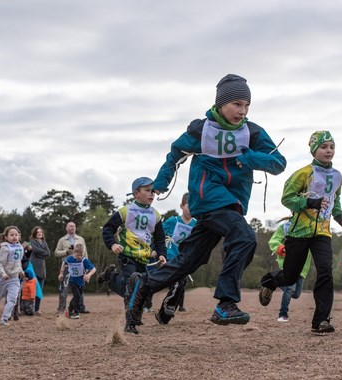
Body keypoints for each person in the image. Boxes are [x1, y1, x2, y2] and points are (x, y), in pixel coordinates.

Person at [126, 74, 286, 329]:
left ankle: (143, 284)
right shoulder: (201, 130)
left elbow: (279, 163)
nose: (242, 111)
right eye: (236, 104)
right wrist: (160, 182)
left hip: (232, 201)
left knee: (190, 260)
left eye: (246, 106)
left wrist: (251, 157)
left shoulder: (252, 132)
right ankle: (225, 303)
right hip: (208, 195)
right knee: (244, 237)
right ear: (221, 103)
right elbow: (174, 155)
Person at [259, 131, 342, 334]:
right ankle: (269, 282)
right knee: (290, 276)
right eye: (324, 147)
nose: (329, 151)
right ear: (313, 149)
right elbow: (287, 198)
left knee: (326, 272)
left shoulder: (338, 177)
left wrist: (341, 219)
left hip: (323, 233)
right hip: (299, 231)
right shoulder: (303, 173)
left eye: (332, 147)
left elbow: (335, 203)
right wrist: (310, 202)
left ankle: (321, 321)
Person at [99, 177, 167, 334]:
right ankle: (131, 323)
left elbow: (160, 239)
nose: (152, 194)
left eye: (153, 191)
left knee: (139, 288)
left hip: (145, 258)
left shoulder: (156, 215)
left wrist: (162, 254)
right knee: (133, 286)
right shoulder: (125, 211)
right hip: (127, 256)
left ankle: (110, 277)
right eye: (148, 190)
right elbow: (107, 229)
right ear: (136, 193)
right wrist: (113, 244)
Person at [155, 192, 197, 325]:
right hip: (170, 257)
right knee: (177, 282)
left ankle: (164, 314)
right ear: (181, 206)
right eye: (189, 206)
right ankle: (162, 307)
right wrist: (158, 250)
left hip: (185, 259)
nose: (191, 209)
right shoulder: (173, 221)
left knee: (180, 283)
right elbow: (159, 234)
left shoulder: (196, 224)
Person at [268, 219, 312, 321]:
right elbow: (273, 241)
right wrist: (281, 249)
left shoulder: (310, 226)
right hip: (288, 263)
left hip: (302, 266)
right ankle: (283, 314)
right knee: (290, 289)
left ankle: (273, 281)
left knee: (296, 294)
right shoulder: (285, 227)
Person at [0, 226, 25, 326]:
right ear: (6, 237)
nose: (14, 237)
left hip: (14, 278)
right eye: (12, 235)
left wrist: (21, 271)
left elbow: (18, 262)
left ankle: (5, 319)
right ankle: (2, 293)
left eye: (16, 235)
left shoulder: (20, 247)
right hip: (3, 278)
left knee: (13, 299)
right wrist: (3, 274)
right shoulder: (5, 248)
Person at [54, 222, 87, 315]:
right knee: (64, 288)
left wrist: (86, 268)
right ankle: (61, 308)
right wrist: (66, 252)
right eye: (70, 226)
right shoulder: (62, 240)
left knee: (80, 287)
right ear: (66, 228)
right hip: (67, 267)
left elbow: (85, 253)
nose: (72, 227)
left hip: (79, 266)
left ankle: (79, 307)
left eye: (74, 226)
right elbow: (56, 253)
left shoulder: (80, 239)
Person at [59, 244, 96, 319]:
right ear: (74, 253)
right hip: (72, 280)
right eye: (78, 255)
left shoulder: (84, 260)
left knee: (77, 296)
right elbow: (64, 263)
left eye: (81, 255)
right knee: (77, 296)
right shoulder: (69, 259)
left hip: (81, 281)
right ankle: (76, 312)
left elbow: (94, 269)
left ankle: (69, 308)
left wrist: (88, 275)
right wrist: (61, 273)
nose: (80, 257)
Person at [24, 226, 50, 314]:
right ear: (35, 233)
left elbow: (48, 253)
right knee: (31, 290)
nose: (40, 233)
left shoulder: (44, 242)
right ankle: (29, 308)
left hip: (42, 269)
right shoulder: (32, 242)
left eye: (41, 232)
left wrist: (40, 253)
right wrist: (42, 253)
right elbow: (35, 250)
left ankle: (37, 309)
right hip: (34, 267)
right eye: (38, 232)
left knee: (39, 290)